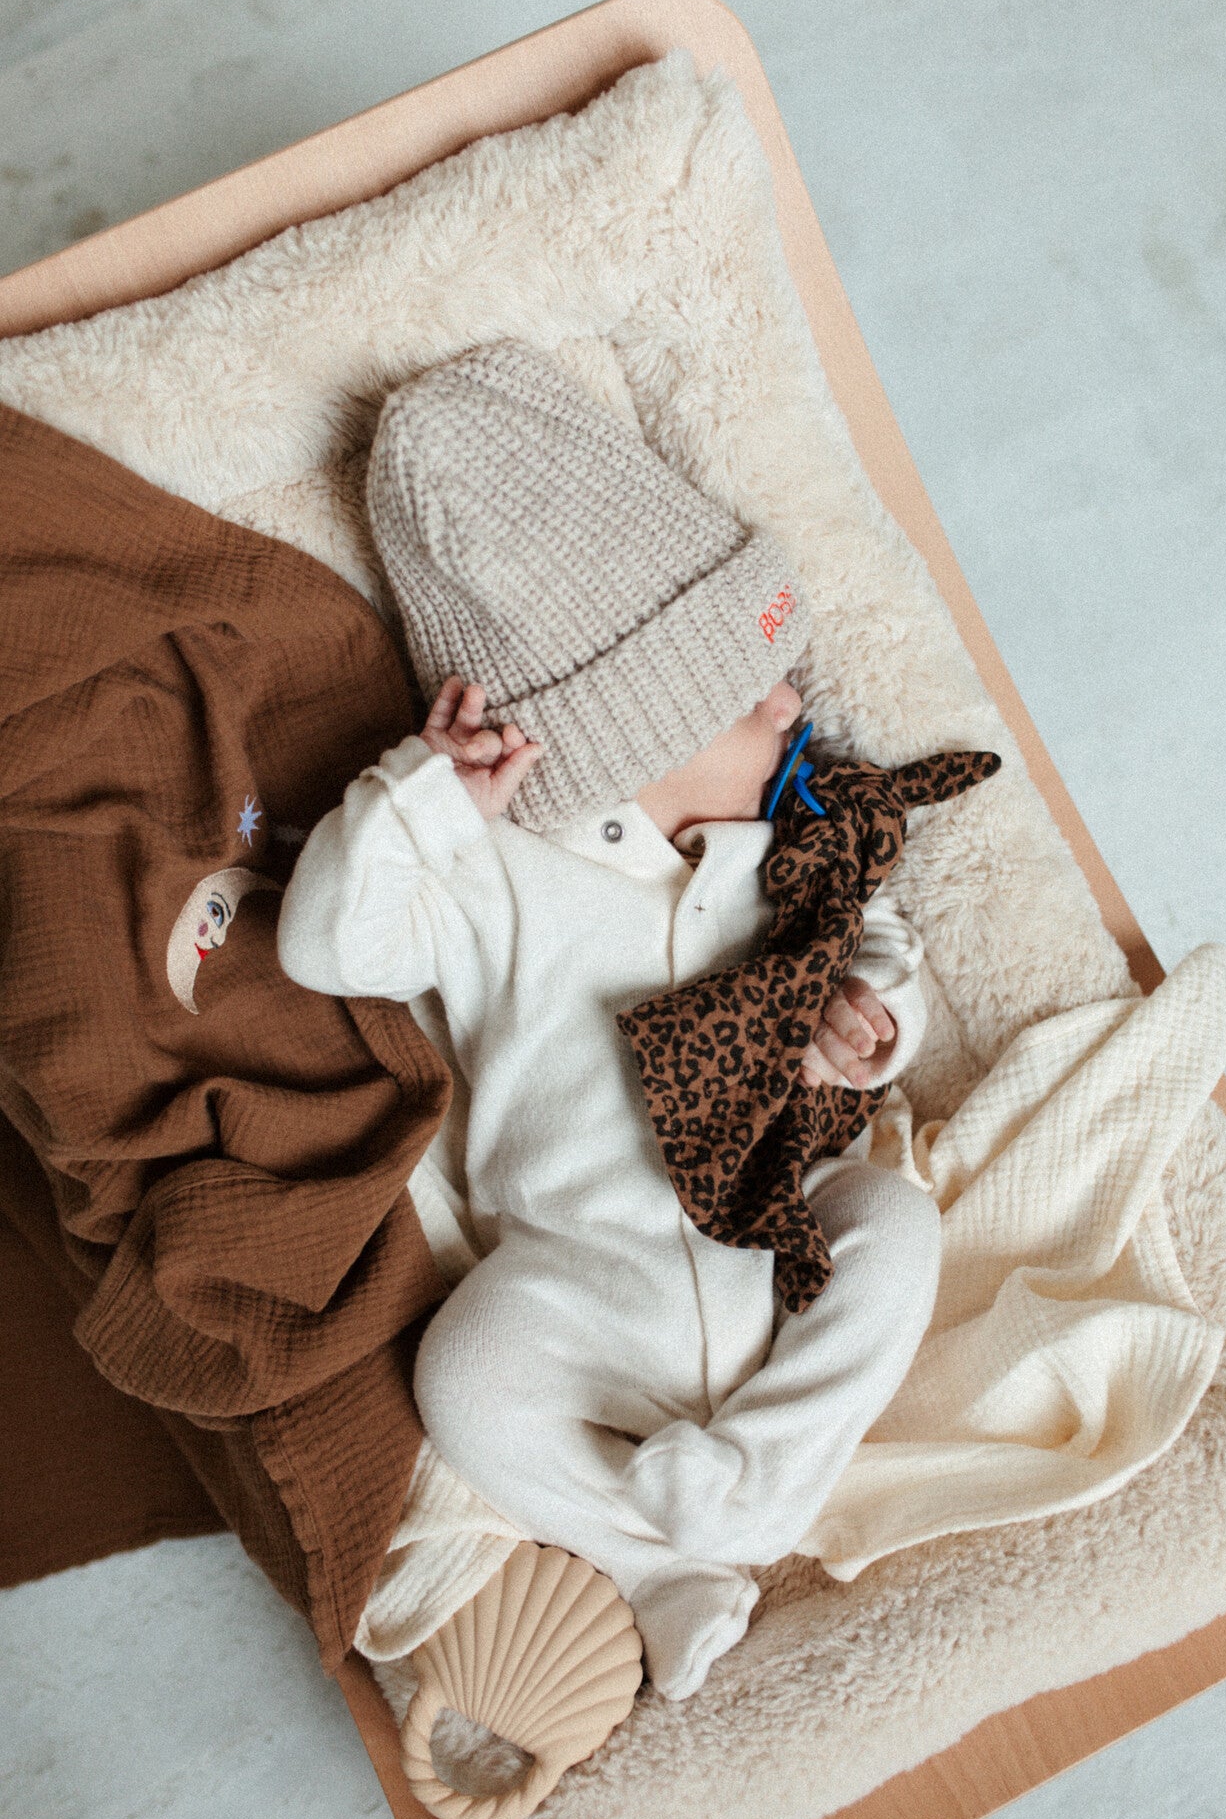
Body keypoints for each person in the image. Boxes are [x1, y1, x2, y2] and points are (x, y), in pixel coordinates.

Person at [277, 342, 941, 1698]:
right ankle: (653, 1566)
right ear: (624, 735)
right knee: (466, 1381)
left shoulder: (789, 846)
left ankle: (761, 1483)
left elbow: (876, 947)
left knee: (899, 1226)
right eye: (752, 696)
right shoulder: (495, 877)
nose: (794, 705)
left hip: (774, 1225)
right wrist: (418, 805)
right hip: (573, 1267)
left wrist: (874, 1022)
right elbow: (329, 947)